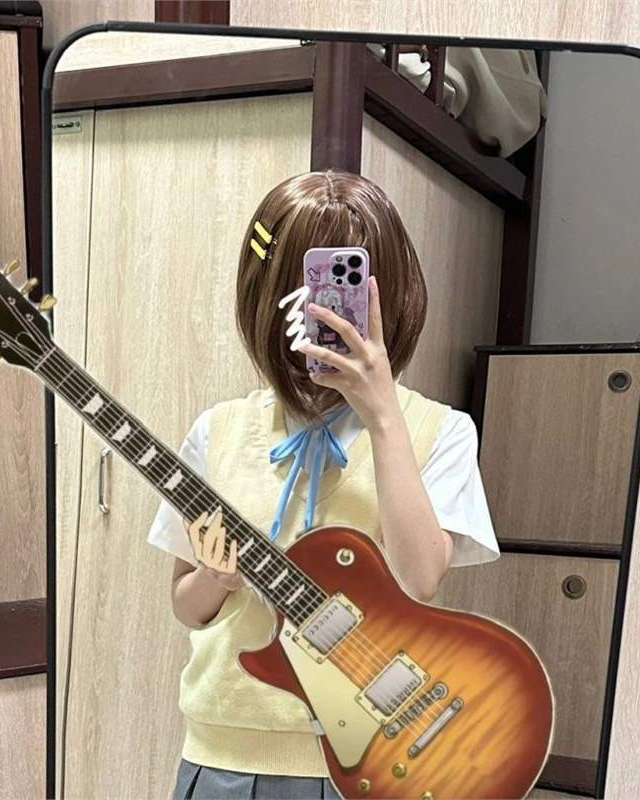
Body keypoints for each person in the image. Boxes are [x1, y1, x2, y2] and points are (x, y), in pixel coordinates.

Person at [146, 170, 500, 800]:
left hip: (368, 759)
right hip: (223, 751)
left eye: (348, 291)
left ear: (392, 294)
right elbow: (186, 606)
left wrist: (382, 415)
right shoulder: (217, 431)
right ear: (268, 296)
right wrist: (217, 578)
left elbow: (420, 578)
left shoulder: (440, 432)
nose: (326, 313)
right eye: (305, 289)